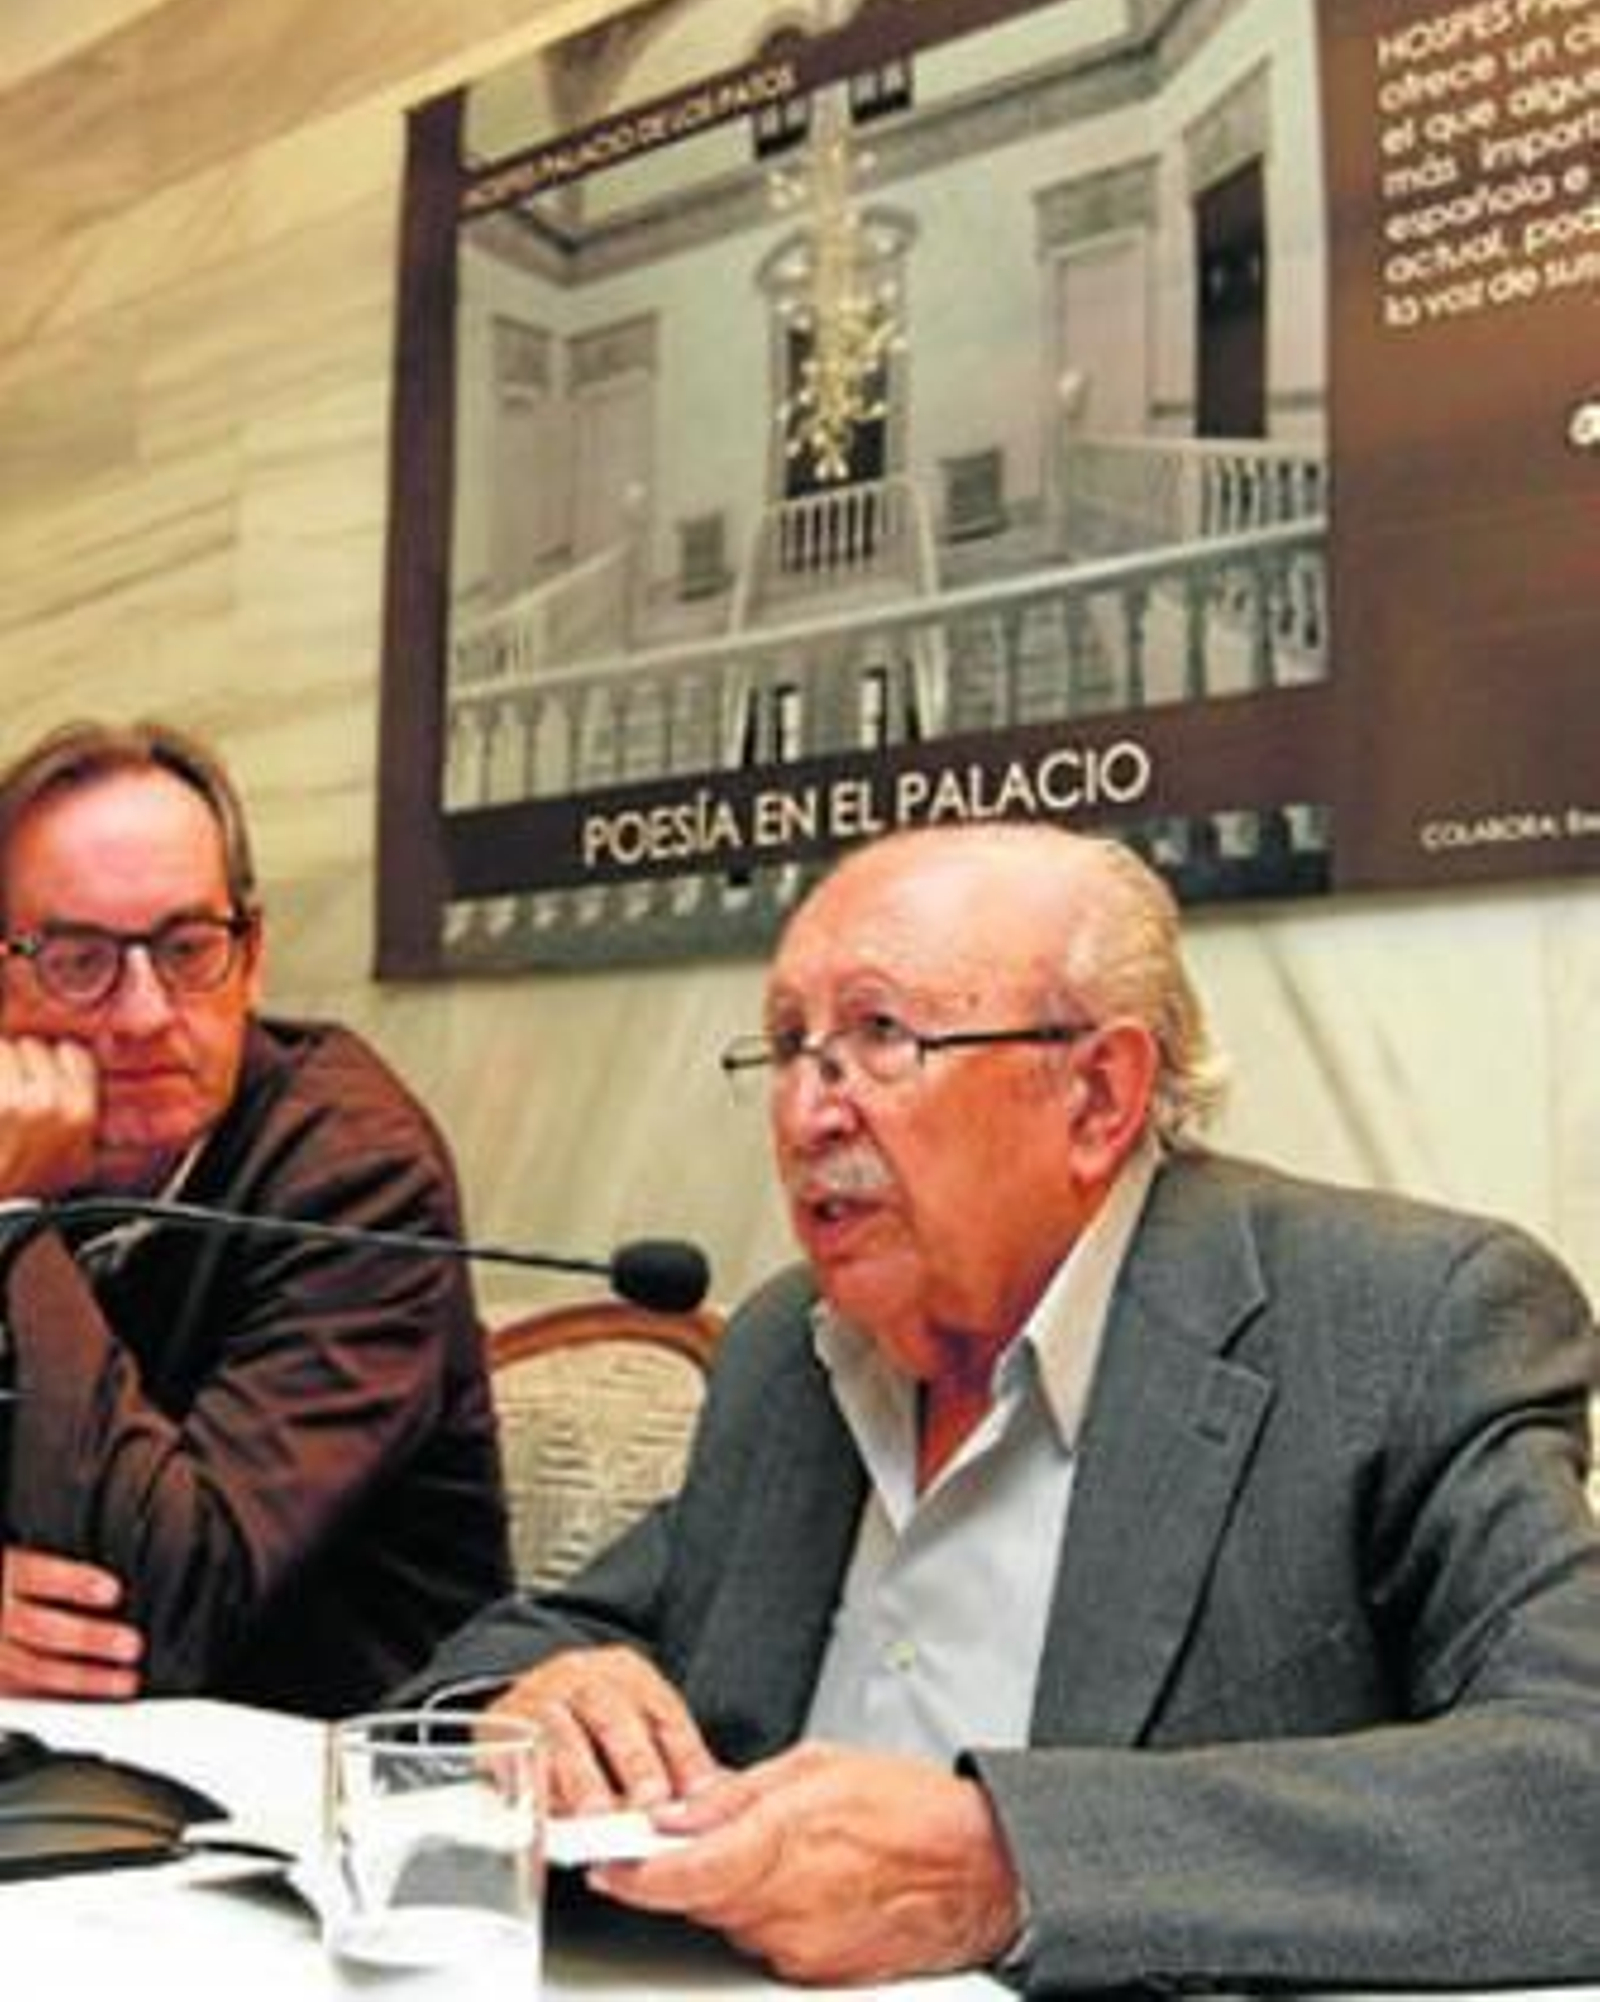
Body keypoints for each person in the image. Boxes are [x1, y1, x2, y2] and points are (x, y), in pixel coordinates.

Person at [405, 821, 1600, 1990]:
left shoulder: (1397, 1327)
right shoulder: (790, 1351)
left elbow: (1574, 1783)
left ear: (1096, 1095)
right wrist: (532, 1703)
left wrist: (1007, 1864)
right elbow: (534, 1644)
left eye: (879, 1036)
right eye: (787, 1045)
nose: (806, 1114)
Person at [0, 718, 510, 1715]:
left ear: (254, 954)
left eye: (188, 949)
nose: (145, 1014)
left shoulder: (359, 1177)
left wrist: (15, 1219)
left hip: (326, 1771)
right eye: (78, 959)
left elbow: (166, 1609)